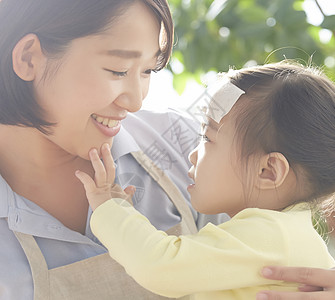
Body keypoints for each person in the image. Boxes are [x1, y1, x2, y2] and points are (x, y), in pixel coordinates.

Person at [0, 1, 334, 299]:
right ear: (29, 57)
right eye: (117, 70)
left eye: (147, 71)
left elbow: (161, 265)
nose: (136, 100)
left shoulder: (186, 142)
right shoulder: (210, 151)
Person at [76, 62, 335, 300]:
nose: (192, 153)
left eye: (207, 138)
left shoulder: (271, 234)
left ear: (268, 171)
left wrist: (109, 207)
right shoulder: (285, 234)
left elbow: (159, 265)